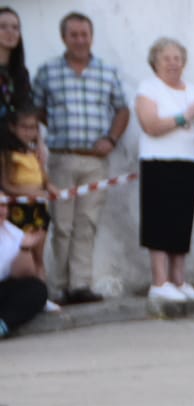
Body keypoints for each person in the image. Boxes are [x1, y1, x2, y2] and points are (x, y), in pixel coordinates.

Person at [33, 12, 128, 305]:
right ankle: (61, 286)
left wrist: (110, 139)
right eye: (73, 35)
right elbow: (36, 110)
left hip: (94, 161)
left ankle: (80, 285)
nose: (79, 40)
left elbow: (122, 109)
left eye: (84, 34)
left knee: (87, 222)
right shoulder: (48, 71)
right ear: (64, 38)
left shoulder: (106, 71)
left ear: (91, 36)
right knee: (62, 224)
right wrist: (61, 132)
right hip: (62, 159)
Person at [134, 38, 194, 304]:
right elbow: (151, 125)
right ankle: (159, 281)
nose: (173, 63)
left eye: (177, 58)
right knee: (159, 220)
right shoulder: (149, 88)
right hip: (158, 161)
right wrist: (184, 117)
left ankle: (179, 280)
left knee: (182, 220)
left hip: (187, 160)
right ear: (155, 62)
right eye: (166, 58)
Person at [0, 106, 52, 303]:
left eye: (33, 128)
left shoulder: (33, 152)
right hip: (20, 210)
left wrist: (49, 186)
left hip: (38, 208)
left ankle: (43, 296)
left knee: (39, 255)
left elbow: (43, 179)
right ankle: (24, 296)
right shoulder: (7, 154)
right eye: (25, 127)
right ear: (13, 127)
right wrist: (30, 192)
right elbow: (7, 185)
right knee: (24, 254)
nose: (29, 132)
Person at [0, 218, 48, 338]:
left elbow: (21, 274)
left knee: (37, 288)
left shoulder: (13, 233)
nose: (2, 211)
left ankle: (3, 324)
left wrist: (25, 248)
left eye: (4, 206)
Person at [0, 8, 32, 121]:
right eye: (3, 27)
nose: (10, 31)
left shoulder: (21, 72)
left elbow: (25, 108)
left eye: (15, 27)